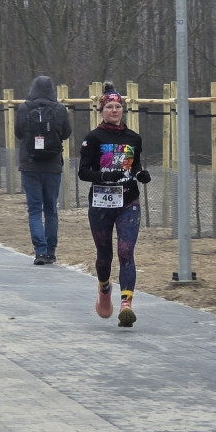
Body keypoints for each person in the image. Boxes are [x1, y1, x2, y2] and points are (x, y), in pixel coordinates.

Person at [77, 82, 151, 327]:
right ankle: (104, 288)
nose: (114, 110)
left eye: (118, 106)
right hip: (101, 203)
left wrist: (141, 174)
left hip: (128, 201)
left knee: (126, 252)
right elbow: (83, 172)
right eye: (109, 106)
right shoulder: (93, 138)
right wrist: (102, 176)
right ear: (101, 110)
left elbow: (136, 165)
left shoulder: (134, 138)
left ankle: (126, 305)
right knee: (105, 256)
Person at [14, 75, 72, 265]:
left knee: (34, 210)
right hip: (53, 165)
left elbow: (18, 133)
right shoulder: (60, 109)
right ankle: (51, 252)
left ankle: (39, 251)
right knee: (51, 209)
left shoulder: (24, 108)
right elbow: (66, 133)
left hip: (30, 165)